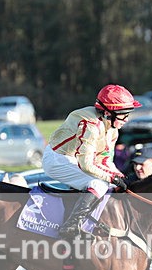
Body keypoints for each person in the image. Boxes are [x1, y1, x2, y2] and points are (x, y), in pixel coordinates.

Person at [43, 84, 139, 239]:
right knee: (98, 184)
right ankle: (71, 225)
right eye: (123, 115)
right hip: (57, 158)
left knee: (109, 183)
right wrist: (111, 177)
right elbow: (87, 164)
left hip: (74, 159)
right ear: (108, 113)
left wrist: (119, 176)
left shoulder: (112, 129)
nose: (126, 120)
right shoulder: (90, 126)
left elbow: (105, 160)